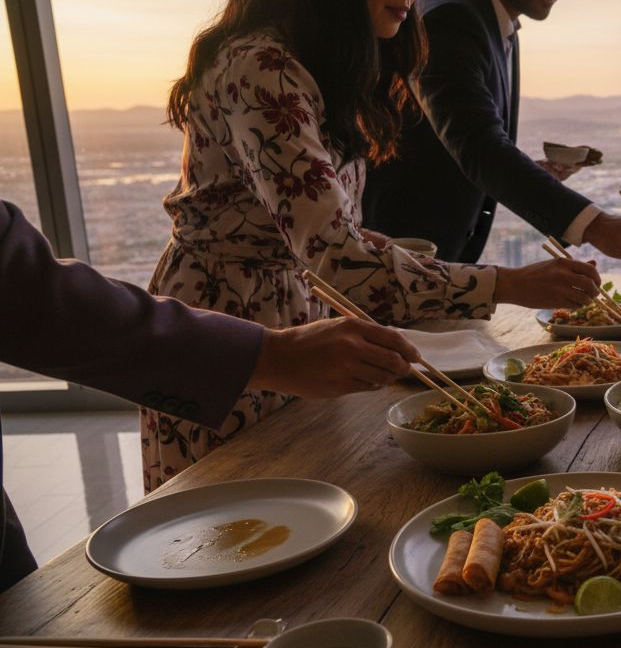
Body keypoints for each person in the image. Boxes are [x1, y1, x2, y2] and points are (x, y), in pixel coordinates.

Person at [145, 0, 602, 492]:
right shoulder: (260, 67)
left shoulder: (310, 59)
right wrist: (508, 283)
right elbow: (338, 260)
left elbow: (328, 233)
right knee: (226, 528)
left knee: (302, 515)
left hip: (294, 308)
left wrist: (375, 247)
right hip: (229, 320)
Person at [0, 199, 420, 591]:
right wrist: (271, 355)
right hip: (227, 313)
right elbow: (31, 294)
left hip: (287, 314)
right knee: (211, 539)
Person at [361, 0, 621, 269]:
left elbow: (455, 140)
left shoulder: (489, 19)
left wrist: (534, 174)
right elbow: (479, 146)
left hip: (427, 268)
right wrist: (598, 225)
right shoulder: (449, 17)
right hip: (395, 269)